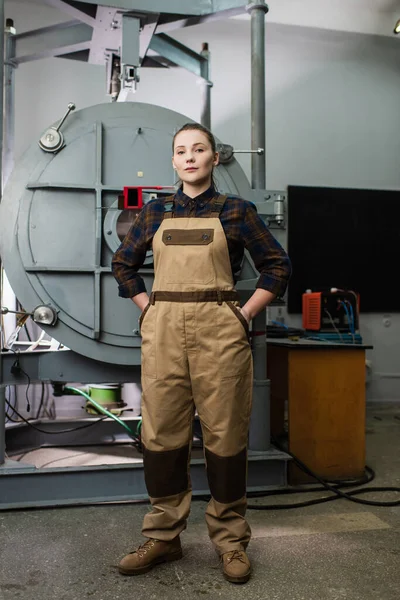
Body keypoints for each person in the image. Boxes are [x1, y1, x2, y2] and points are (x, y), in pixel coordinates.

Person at [112, 122, 291, 584]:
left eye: (199, 149)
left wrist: (244, 313)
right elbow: (123, 264)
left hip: (220, 329)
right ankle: (164, 537)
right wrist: (148, 307)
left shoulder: (237, 211)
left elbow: (277, 266)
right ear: (173, 162)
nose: (190, 157)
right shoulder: (154, 213)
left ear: (214, 158)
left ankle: (231, 542)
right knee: (161, 437)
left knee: (226, 437)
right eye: (181, 151)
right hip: (164, 329)